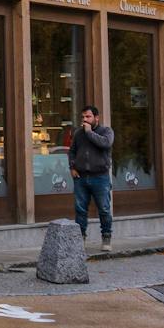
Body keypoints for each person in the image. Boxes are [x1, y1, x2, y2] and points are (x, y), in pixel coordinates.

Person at [70, 104, 115, 249]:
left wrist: (89, 133)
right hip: (81, 177)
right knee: (80, 209)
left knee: (104, 209)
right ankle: (80, 239)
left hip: (100, 177)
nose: (85, 119)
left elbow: (106, 144)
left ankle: (106, 237)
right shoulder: (78, 133)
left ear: (96, 118)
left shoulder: (106, 131)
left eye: (88, 116)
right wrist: (72, 167)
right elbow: (72, 151)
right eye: (83, 117)